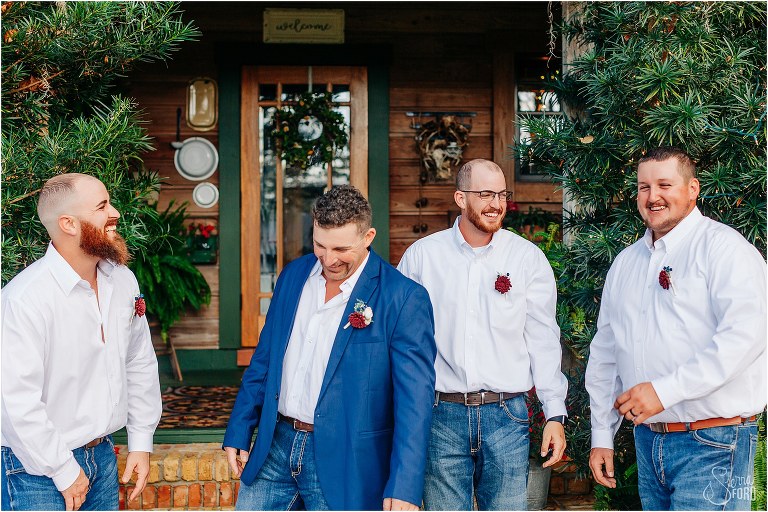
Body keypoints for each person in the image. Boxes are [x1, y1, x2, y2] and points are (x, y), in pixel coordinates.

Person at [223, 185, 437, 511]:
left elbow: (414, 403)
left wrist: (405, 483)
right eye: (319, 244)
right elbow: (265, 360)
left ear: (368, 237)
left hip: (347, 458)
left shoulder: (403, 298)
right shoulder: (293, 275)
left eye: (341, 248)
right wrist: (240, 427)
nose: (328, 259)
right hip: (276, 444)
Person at [586, 146, 767, 510]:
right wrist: (602, 434)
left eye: (665, 185)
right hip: (649, 441)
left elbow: (744, 339)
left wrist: (664, 391)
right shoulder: (625, 263)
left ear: (693, 189)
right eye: (643, 187)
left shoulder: (725, 249)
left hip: (714, 440)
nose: (653, 197)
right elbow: (606, 351)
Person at [397, 159, 568, 510]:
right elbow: (402, 342)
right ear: (461, 198)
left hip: (507, 415)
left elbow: (543, 340)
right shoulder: (422, 258)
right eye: (485, 194)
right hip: (441, 415)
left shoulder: (527, 258)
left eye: (502, 194)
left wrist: (554, 413)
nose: (496, 203)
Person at [1, 173, 162, 511]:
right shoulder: (24, 300)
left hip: (102, 456)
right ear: (69, 224)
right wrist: (62, 469)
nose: (115, 212)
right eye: (102, 206)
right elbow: (15, 400)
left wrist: (141, 440)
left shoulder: (123, 280)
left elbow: (139, 362)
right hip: (34, 468)